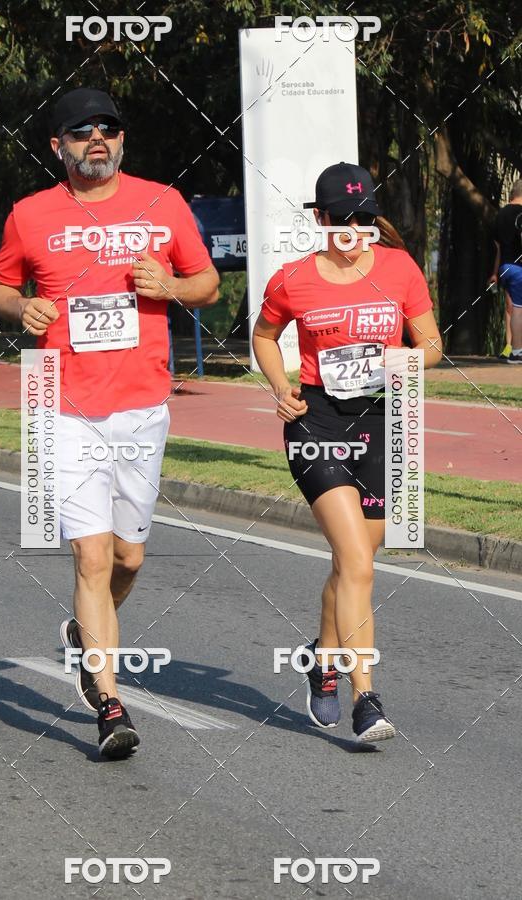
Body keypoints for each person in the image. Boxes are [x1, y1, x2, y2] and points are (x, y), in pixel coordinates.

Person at [0, 88, 219, 758]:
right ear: (57, 146)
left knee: (129, 556)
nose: (98, 138)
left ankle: (83, 632)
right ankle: (109, 705)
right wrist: (21, 307)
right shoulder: (30, 215)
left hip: (142, 404)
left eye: (109, 129)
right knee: (90, 555)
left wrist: (170, 288)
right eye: (81, 130)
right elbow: (0, 286)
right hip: (61, 404)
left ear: (121, 141)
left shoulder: (163, 203)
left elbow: (207, 283)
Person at [252, 162, 442, 743]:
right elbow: (263, 335)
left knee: (354, 557)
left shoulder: (399, 267)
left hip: (385, 422)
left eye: (364, 218)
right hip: (318, 422)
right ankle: (367, 699)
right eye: (342, 220)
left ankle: (321, 656)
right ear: (320, 218)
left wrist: (404, 360)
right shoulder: (293, 280)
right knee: (358, 563)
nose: (353, 230)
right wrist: (281, 388)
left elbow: (431, 344)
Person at [490, 180, 522, 363]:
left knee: (513, 308)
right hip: (519, 268)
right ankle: (517, 351)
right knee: (518, 310)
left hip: (504, 267)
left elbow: (498, 248)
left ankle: (514, 348)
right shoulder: (520, 213)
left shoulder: (499, 216)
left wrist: (495, 273)